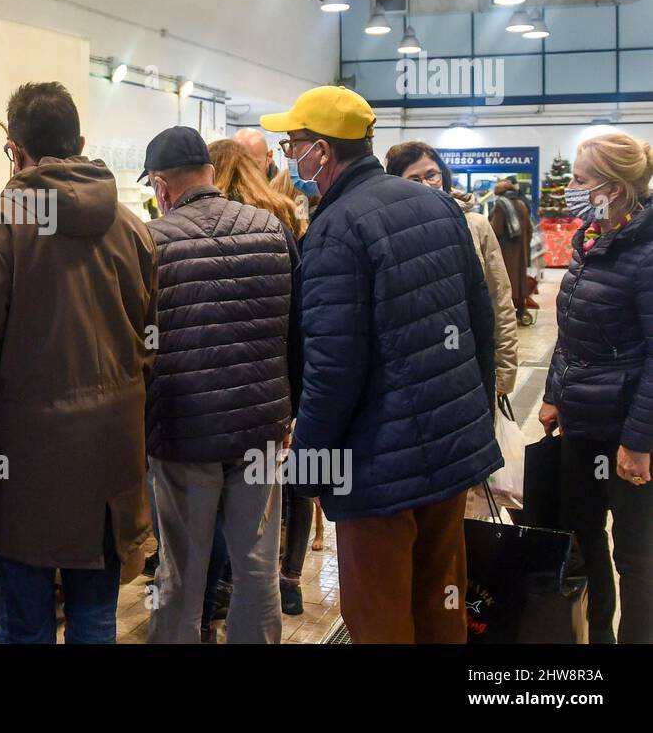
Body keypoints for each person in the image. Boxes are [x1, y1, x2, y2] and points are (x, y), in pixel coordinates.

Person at [261, 86, 501, 644]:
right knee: (441, 603)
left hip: (376, 465)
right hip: (448, 449)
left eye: (292, 143)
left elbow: (333, 366)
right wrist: (474, 416)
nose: (287, 155)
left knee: (379, 616)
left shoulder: (335, 228)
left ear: (321, 151)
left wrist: (311, 464)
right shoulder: (438, 205)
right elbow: (479, 322)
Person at [0, 81, 157, 644]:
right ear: (81, 141)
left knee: (26, 622)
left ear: (14, 149)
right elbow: (149, 343)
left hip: (22, 462)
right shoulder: (131, 227)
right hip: (111, 456)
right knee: (94, 616)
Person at [141, 128, 298, 645]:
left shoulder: (153, 242)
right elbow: (299, 332)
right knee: (257, 567)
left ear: (162, 186)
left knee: (181, 572)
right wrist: (289, 410)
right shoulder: (272, 230)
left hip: (184, 433)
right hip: (260, 430)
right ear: (211, 172)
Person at [539, 131, 653, 644]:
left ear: (612, 187)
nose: (573, 189)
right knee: (584, 537)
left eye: (582, 181)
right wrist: (552, 392)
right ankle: (598, 637)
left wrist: (639, 441)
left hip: (628, 432)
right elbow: (570, 331)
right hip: (581, 423)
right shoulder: (591, 239)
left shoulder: (646, 253)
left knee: (635, 555)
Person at [209, 137, 313, 619]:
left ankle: (217, 599)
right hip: (269, 395)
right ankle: (287, 583)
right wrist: (293, 400)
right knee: (283, 501)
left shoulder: (194, 228)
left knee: (208, 520)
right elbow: (297, 316)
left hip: (210, 402)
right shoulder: (283, 219)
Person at [385, 142, 519, 402]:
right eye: (414, 179)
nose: (426, 185)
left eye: (431, 175)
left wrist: (504, 371)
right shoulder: (389, 231)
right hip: (409, 371)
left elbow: (499, 299)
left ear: (443, 175)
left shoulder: (475, 225)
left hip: (468, 361)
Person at [489, 177, 534, 324]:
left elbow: (496, 229)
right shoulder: (521, 204)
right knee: (519, 280)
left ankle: (504, 313)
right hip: (521, 250)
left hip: (506, 251)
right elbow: (529, 228)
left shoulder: (501, 205)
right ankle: (521, 310)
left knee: (505, 281)